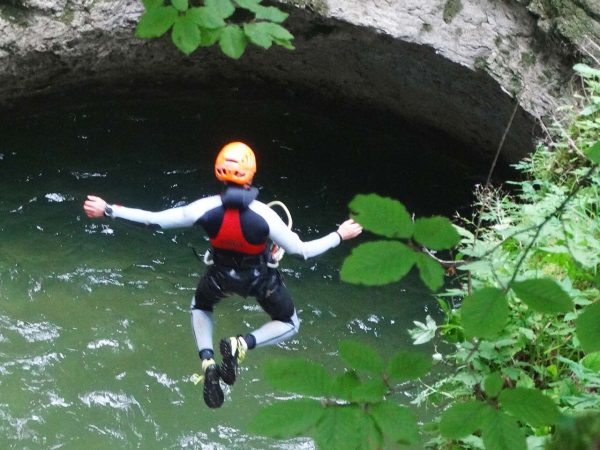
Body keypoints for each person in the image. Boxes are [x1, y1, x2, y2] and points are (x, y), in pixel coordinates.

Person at [83, 141, 363, 408]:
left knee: (201, 306)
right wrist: (340, 235)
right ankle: (242, 343)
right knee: (290, 322)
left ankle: (207, 361)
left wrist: (109, 210)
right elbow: (302, 252)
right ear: (251, 176)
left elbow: (154, 221)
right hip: (259, 280)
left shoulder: (202, 209)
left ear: (218, 173)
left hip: (218, 276)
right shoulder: (265, 215)